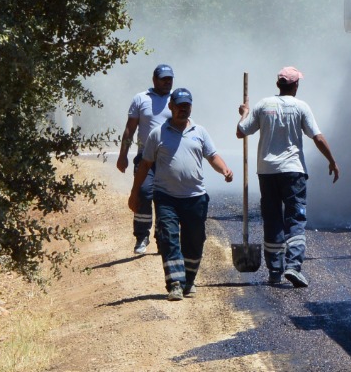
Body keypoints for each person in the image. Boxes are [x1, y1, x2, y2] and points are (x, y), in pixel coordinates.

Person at [236, 66, 339, 288]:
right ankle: (293, 265)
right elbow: (317, 137)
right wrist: (331, 160)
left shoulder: (263, 105)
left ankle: (274, 271)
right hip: (293, 172)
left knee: (272, 219)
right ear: (295, 86)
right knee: (295, 218)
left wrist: (244, 112)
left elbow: (240, 131)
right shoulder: (301, 107)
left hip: (267, 171)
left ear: (278, 85)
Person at [130, 87, 233, 301]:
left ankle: (189, 279)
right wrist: (135, 193)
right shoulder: (157, 133)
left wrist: (224, 169)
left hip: (195, 197)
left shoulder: (200, 132)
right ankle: (175, 283)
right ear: (171, 107)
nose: (183, 110)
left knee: (194, 241)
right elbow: (145, 165)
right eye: (179, 106)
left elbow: (212, 155)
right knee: (168, 239)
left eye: (187, 106)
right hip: (166, 197)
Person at [117, 63, 176, 254]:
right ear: (154, 80)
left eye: (170, 79)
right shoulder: (141, 99)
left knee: (165, 198)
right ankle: (142, 236)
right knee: (143, 193)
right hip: (145, 157)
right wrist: (123, 155)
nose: (167, 82)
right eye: (163, 79)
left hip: (169, 158)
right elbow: (130, 128)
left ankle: (162, 237)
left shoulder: (176, 98)